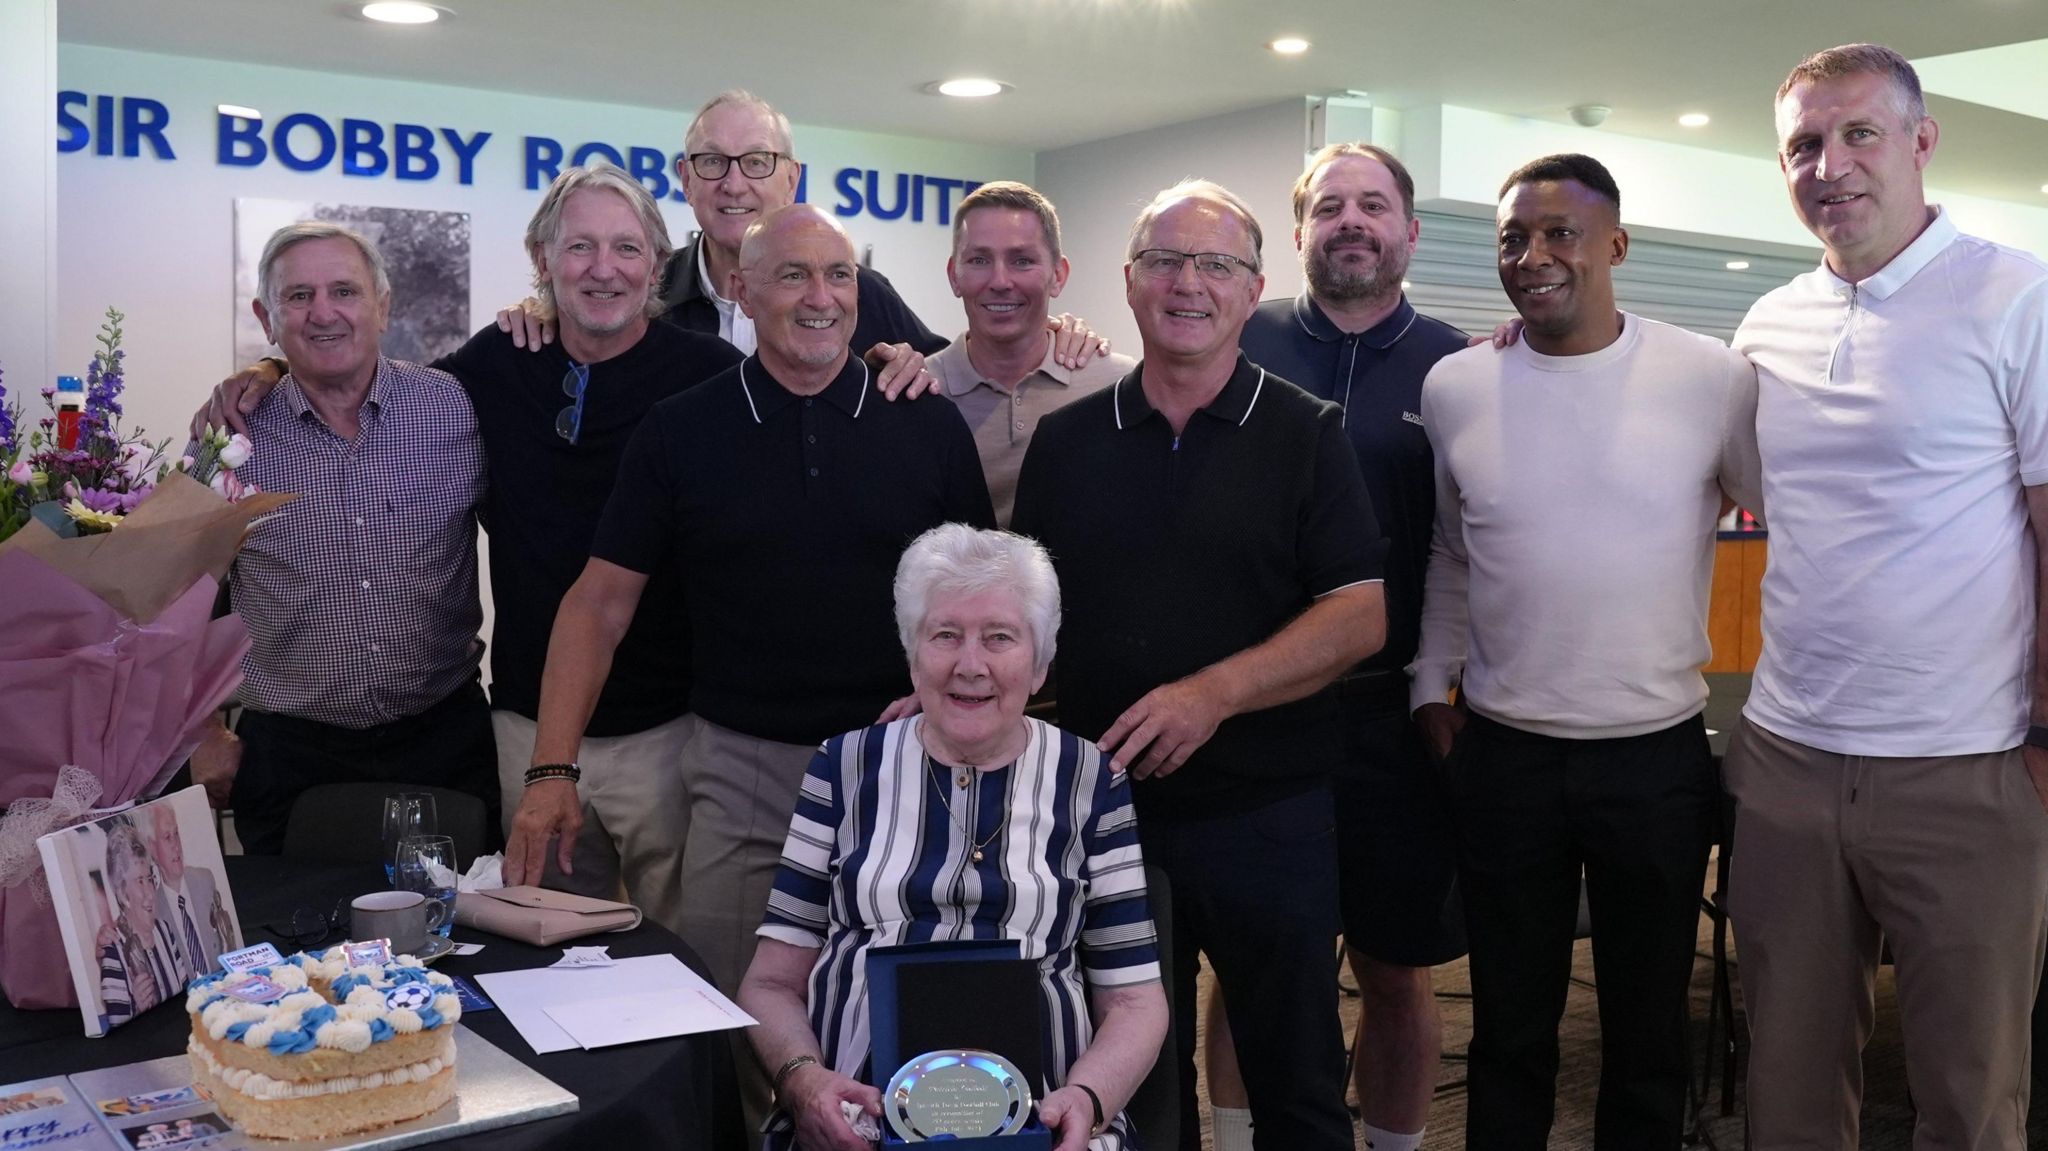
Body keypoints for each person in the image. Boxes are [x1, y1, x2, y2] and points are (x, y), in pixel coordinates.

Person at [506, 204, 995, 1123]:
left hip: (905, 766)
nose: (821, 298)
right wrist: (552, 766)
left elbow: (976, 600)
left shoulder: (921, 421)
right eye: (793, 276)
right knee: (736, 1023)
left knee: (907, 1023)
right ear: (740, 289)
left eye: (840, 276)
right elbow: (597, 604)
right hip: (742, 775)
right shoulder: (682, 428)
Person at [192, 165, 744, 925]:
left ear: (656, 260)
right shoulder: (473, 377)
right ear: (542, 259)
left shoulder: (709, 381)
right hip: (441, 738)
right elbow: (180, 599)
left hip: (635, 732)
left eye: (624, 246)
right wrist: (263, 373)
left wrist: (890, 361)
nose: (602, 267)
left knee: (663, 946)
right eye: (578, 245)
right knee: (431, 944)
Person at [1012, 179, 1388, 1151]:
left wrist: (1212, 692)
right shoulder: (1063, 443)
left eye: (1214, 264)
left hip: (1269, 815)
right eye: (1165, 262)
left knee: (1297, 1078)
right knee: (1133, 1086)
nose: (1188, 282)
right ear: (1129, 284)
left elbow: (1358, 615)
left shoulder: (1305, 432)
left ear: (1252, 287)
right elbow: (1031, 622)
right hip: (1104, 816)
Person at [1726, 43, 2048, 1151]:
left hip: (1966, 762)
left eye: (1857, 133)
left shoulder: (2017, 295)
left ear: (1919, 141)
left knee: (1967, 1092)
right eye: (1802, 145)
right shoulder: (1765, 324)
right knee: (1788, 1088)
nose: (1829, 165)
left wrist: (2044, 730)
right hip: (1786, 761)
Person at [1410, 153, 1760, 1149]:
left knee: (1645, 1034)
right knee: (1507, 1030)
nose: (1532, 256)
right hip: (1504, 754)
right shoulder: (1456, 384)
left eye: (1558, 232)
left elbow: (1791, 520)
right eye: (1512, 237)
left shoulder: (1708, 376)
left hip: (1649, 758)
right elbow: (1449, 548)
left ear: (1613, 244)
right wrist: (1423, 685)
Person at [739, 524, 1169, 1151]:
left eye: (1000, 637)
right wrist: (805, 1084)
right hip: (856, 1120)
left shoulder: (1089, 780)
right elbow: (771, 982)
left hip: (1046, 1122)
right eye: (945, 636)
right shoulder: (843, 767)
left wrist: (1089, 1100)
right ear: (912, 655)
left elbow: (1133, 999)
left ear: (1041, 662)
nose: (971, 665)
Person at [1213, 143, 1469, 1151]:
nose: (1350, 220)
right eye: (1329, 206)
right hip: (1258, 706)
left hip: (1393, 718)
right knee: (1250, 962)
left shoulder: (1457, 368)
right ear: (1298, 233)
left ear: (1408, 230)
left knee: (1395, 967)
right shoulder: (1238, 339)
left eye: (1372, 204)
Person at [191, 222, 495, 854]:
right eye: (298, 296)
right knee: (297, 948)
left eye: (345, 292)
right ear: (266, 318)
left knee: (460, 944)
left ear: (382, 307)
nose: (323, 313)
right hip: (289, 755)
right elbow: (171, 603)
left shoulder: (454, 409)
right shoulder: (227, 441)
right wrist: (202, 732)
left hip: (444, 742)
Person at [926, 181, 1134, 526]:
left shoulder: (1119, 386)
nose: (1000, 280)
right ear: (954, 276)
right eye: (979, 260)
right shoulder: (919, 392)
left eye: (1022, 261)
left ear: (1058, 275)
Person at [96, 816, 194, 1026]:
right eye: (140, 881)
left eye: (150, 879)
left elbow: (184, 991)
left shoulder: (164, 930)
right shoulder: (113, 951)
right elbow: (116, 1025)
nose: (150, 892)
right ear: (123, 893)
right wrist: (136, 1006)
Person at [144, 803, 229, 973]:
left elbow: (228, 940)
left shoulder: (205, 879)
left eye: (176, 834)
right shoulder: (152, 910)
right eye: (167, 837)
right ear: (152, 848)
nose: (176, 845)